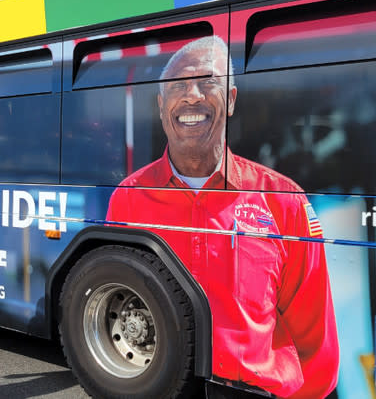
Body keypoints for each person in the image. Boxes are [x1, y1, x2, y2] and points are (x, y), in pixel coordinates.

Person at [105, 36, 338, 398]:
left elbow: (315, 336)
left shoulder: (285, 201)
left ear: (230, 100)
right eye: (178, 85)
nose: (192, 95)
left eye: (206, 82)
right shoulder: (127, 199)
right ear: (162, 104)